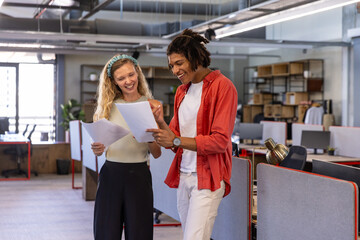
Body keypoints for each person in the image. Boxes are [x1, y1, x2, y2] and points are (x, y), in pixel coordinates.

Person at [147, 29, 238, 240]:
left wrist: (176, 140)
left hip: (208, 178)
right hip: (184, 176)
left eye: (179, 63)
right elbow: (174, 139)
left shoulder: (223, 87)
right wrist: (158, 123)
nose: (175, 70)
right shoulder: (182, 91)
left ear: (195, 57)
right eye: (171, 66)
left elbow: (220, 141)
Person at [91, 54, 162, 240]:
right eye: (121, 78)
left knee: (140, 233)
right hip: (110, 175)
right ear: (114, 82)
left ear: (137, 73)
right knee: (106, 232)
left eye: (131, 75)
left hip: (139, 176)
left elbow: (157, 153)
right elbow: (101, 150)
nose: (128, 81)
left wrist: (146, 137)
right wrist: (98, 149)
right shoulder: (106, 108)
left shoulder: (152, 106)